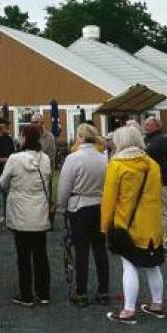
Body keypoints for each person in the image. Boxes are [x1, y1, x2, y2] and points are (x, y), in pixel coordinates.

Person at [101, 124, 166, 324]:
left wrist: (105, 226)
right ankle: (157, 304)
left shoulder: (117, 165)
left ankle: (128, 310)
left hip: (126, 224)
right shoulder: (152, 164)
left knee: (129, 265)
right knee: (153, 266)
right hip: (152, 224)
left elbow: (109, 199)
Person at [57, 123, 110, 306]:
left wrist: (61, 207)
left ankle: (81, 293)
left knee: (81, 251)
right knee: (100, 249)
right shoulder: (103, 158)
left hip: (79, 206)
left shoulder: (73, 158)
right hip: (99, 204)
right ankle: (104, 291)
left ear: (79, 136)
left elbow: (64, 187)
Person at [0, 126, 53, 306]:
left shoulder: (15, 159)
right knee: (40, 254)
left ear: (23, 137)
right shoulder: (44, 158)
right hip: (39, 210)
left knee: (23, 254)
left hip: (20, 211)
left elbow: (2, 182)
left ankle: (26, 294)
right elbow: (48, 180)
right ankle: (44, 292)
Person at [142, 117, 167, 254]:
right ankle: (156, 238)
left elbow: (146, 154)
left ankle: (166, 241)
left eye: (148, 125)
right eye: (145, 124)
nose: (145, 127)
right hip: (153, 180)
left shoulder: (159, 140)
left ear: (156, 126)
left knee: (163, 211)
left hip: (161, 181)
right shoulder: (150, 139)